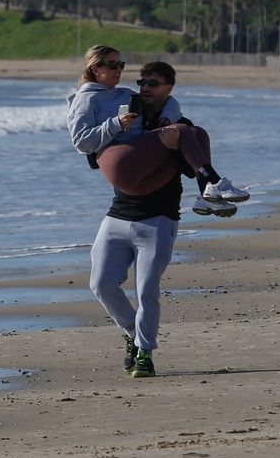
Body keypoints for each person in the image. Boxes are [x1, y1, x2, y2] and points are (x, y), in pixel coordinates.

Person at [89, 62, 191, 378]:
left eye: (153, 83)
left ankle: (145, 352)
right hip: (118, 215)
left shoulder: (180, 125)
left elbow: (191, 168)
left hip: (158, 219)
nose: (145, 88)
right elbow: (94, 158)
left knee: (146, 290)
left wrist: (173, 146)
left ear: (168, 89)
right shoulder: (126, 120)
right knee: (101, 283)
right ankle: (133, 333)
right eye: (142, 82)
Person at [66, 45, 249, 217]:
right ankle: (213, 182)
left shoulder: (125, 93)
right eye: (112, 64)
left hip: (140, 160)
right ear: (96, 69)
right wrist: (116, 124)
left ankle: (207, 195)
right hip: (118, 159)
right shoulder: (85, 99)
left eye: (121, 64)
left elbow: (166, 101)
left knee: (198, 132)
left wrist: (168, 115)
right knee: (182, 129)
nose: (118, 69)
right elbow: (81, 142)